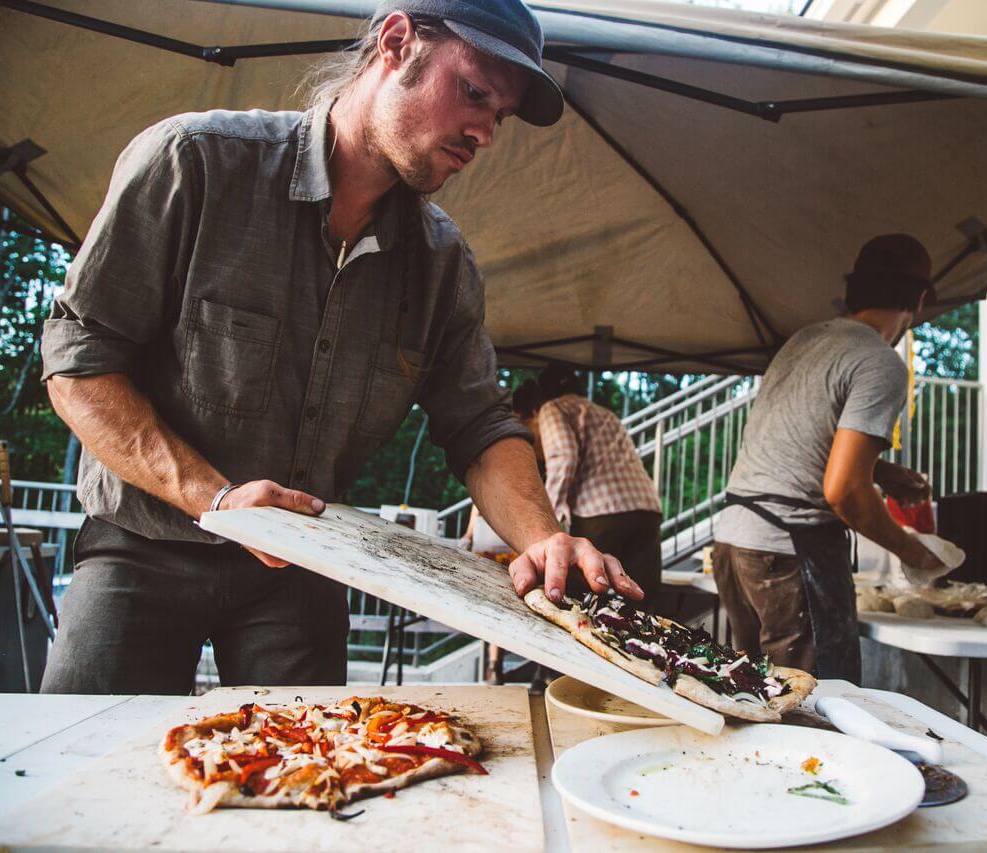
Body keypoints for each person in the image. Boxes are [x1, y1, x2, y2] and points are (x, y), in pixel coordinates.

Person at [38, 0, 642, 695]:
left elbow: (477, 424)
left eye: (498, 115)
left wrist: (542, 538)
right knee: (82, 766)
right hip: (141, 544)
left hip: (303, 568)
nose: (483, 132)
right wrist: (215, 496)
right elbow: (77, 363)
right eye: (474, 92)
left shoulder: (443, 264)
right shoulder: (195, 163)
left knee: (324, 779)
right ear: (394, 40)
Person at [711, 234, 947, 682]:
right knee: (816, 706)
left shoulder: (805, 339)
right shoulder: (880, 362)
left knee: (754, 697)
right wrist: (913, 552)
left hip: (734, 545)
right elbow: (844, 492)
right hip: (785, 554)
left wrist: (885, 473)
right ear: (916, 300)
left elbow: (801, 443)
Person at [513, 370, 664, 606]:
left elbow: (563, 455)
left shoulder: (552, 408)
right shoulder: (603, 413)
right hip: (645, 510)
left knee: (581, 595)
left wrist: (549, 516)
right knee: (642, 596)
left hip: (600, 512)